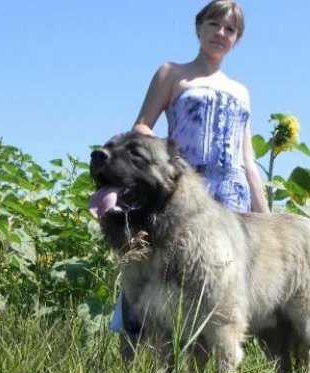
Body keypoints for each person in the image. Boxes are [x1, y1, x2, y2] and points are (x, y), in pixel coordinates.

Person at [110, 0, 269, 333]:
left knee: (217, 297)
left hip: (230, 197)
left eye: (230, 29)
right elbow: (142, 127)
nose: (221, 34)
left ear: (236, 39)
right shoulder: (173, 73)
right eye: (214, 25)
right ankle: (142, 366)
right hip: (182, 192)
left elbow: (248, 159)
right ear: (199, 27)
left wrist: (264, 216)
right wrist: (140, 166)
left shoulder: (241, 91)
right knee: (157, 278)